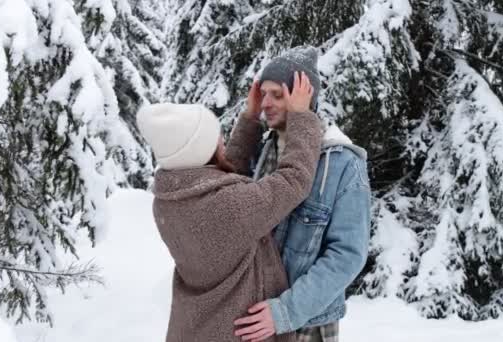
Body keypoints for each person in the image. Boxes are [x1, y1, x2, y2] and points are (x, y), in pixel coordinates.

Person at [137, 72, 321, 342]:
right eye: (217, 138)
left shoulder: (168, 200)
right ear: (202, 150)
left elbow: (218, 179)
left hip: (195, 331)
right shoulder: (229, 208)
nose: (222, 141)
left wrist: (250, 118)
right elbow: (294, 179)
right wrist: (302, 117)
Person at [234, 47, 371, 342]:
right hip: (256, 315)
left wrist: (285, 312)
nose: (266, 103)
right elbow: (225, 198)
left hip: (306, 324)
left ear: (304, 99)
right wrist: (248, 118)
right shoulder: (262, 150)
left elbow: (347, 255)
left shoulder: (343, 163)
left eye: (278, 95)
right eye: (264, 93)